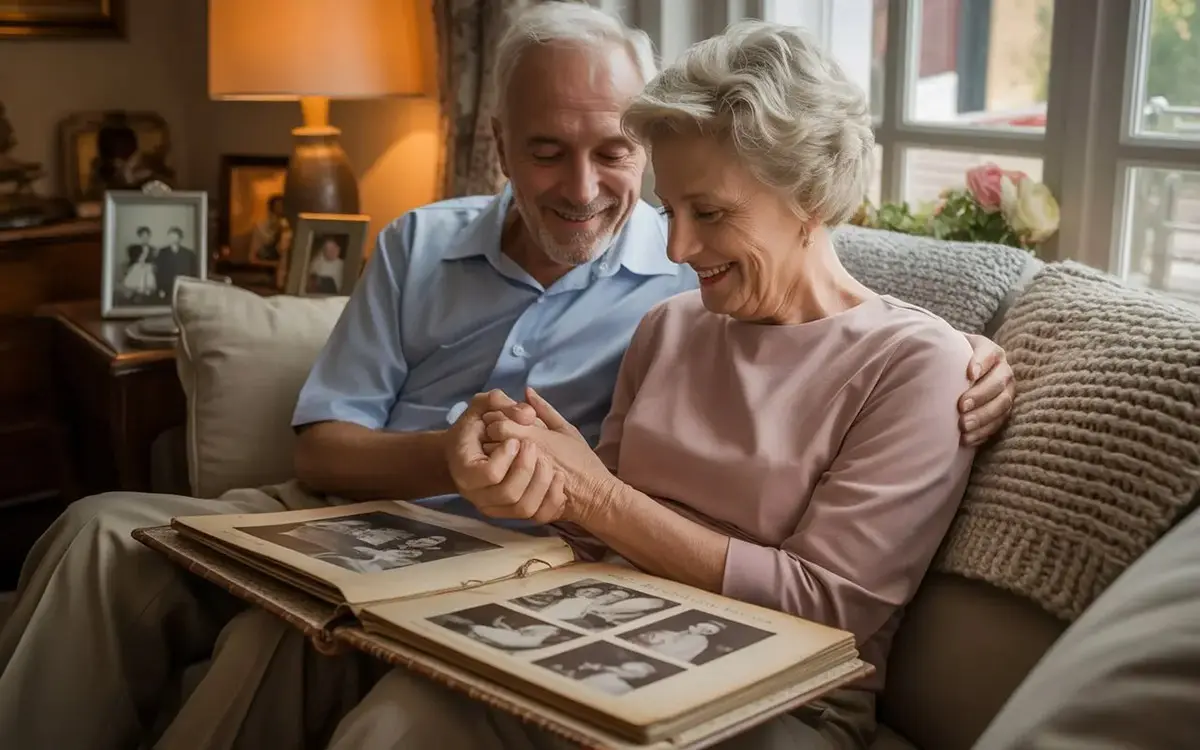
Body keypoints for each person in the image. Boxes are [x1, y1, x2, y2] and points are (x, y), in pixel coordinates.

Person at [0, 5, 1014, 750]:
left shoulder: (733, 295)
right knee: (111, 540)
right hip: (534, 594)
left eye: (695, 207)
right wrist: (512, 480)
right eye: (547, 152)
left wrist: (962, 348)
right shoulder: (669, 317)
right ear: (497, 150)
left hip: (727, 660)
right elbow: (558, 517)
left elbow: (819, 567)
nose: (667, 230)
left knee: (322, 668)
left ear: (809, 198)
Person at [326, 17, 980, 750]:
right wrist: (539, 472)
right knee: (392, 722)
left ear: (813, 200)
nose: (676, 246)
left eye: (710, 213)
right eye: (669, 210)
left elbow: (827, 608)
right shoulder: (668, 325)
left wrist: (595, 498)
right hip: (585, 644)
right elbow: (596, 532)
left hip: (771, 698)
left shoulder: (918, 366)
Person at [153, 226, 196, 300]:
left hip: (183, 287)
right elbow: (158, 273)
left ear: (180, 238)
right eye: (171, 236)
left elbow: (193, 272)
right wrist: (160, 289)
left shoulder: (188, 253)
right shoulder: (162, 253)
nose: (173, 239)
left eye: (175, 236)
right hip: (166, 288)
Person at [122, 226, 157, 300]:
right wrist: (142, 257)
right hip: (136, 266)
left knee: (147, 269)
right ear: (139, 237)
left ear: (149, 237)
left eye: (147, 236)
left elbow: (154, 260)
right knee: (139, 269)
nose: (145, 238)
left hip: (148, 268)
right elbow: (133, 259)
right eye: (143, 236)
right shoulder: (133, 248)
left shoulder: (153, 249)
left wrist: (149, 264)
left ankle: (143, 293)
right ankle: (136, 292)